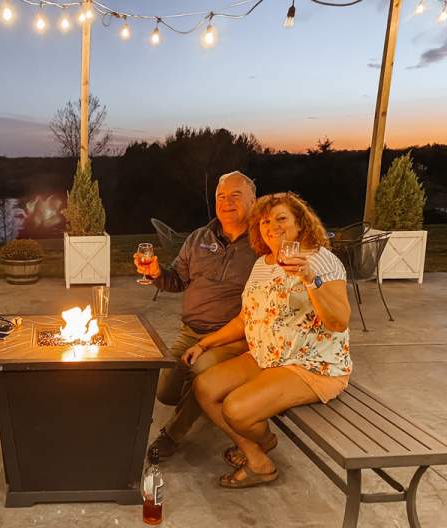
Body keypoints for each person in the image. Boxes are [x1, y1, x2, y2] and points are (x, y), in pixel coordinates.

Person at [193, 192, 351, 488]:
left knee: (236, 409)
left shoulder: (320, 261)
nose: (272, 226)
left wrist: (309, 278)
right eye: (266, 221)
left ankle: (262, 449)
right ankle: (257, 454)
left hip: (311, 365)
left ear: (300, 224)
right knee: (205, 386)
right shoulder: (263, 264)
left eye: (281, 218)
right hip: (268, 355)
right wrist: (205, 343)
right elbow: (245, 318)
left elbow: (339, 321)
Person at [135, 171, 258, 459]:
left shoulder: (262, 244)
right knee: (165, 392)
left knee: (202, 374)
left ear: (253, 200)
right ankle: (211, 400)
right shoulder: (198, 238)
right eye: (221, 197)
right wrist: (156, 273)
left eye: (235, 196)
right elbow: (176, 280)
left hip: (232, 338)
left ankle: (173, 435)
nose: (226, 203)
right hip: (190, 332)